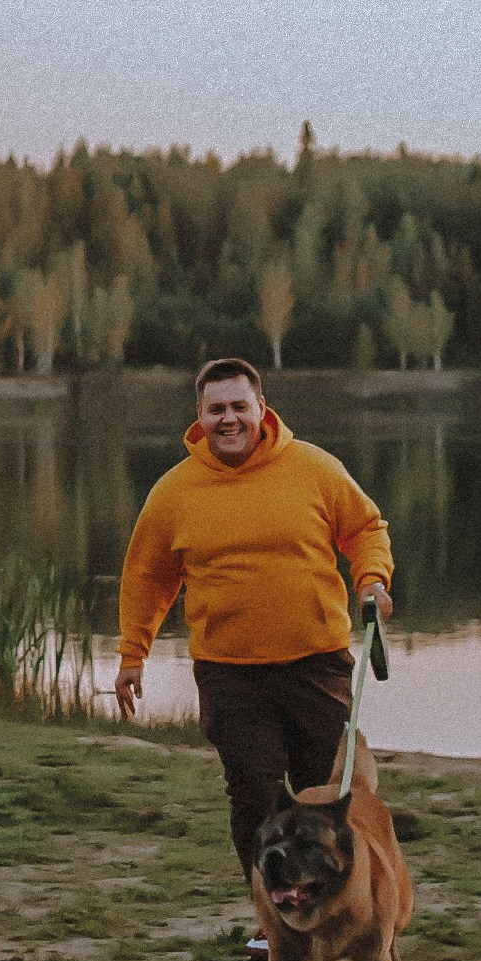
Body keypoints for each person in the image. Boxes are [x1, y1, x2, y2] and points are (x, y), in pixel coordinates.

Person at [115, 359, 393, 918]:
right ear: (199, 417)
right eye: (217, 409)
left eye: (239, 406)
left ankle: (330, 904)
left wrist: (372, 580)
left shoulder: (314, 468)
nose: (229, 418)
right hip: (230, 672)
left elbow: (365, 529)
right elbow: (147, 578)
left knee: (324, 795)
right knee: (255, 797)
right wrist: (132, 655)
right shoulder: (174, 492)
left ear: (261, 410)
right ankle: (276, 917)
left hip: (317, 663)